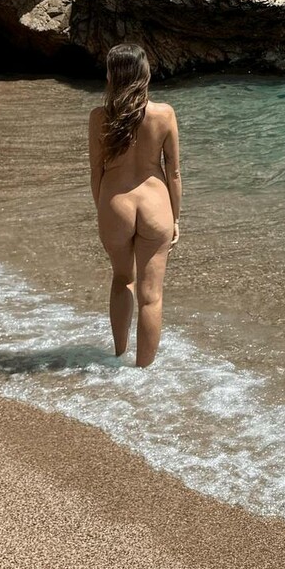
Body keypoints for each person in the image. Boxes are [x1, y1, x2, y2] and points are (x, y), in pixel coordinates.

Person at [88, 43, 181, 367]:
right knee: (151, 295)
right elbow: (174, 172)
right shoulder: (164, 114)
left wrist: (103, 209)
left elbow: (96, 172)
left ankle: (118, 358)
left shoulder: (99, 117)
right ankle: (142, 376)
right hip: (156, 206)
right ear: (145, 74)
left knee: (121, 278)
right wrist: (176, 218)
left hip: (115, 205)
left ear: (111, 76)